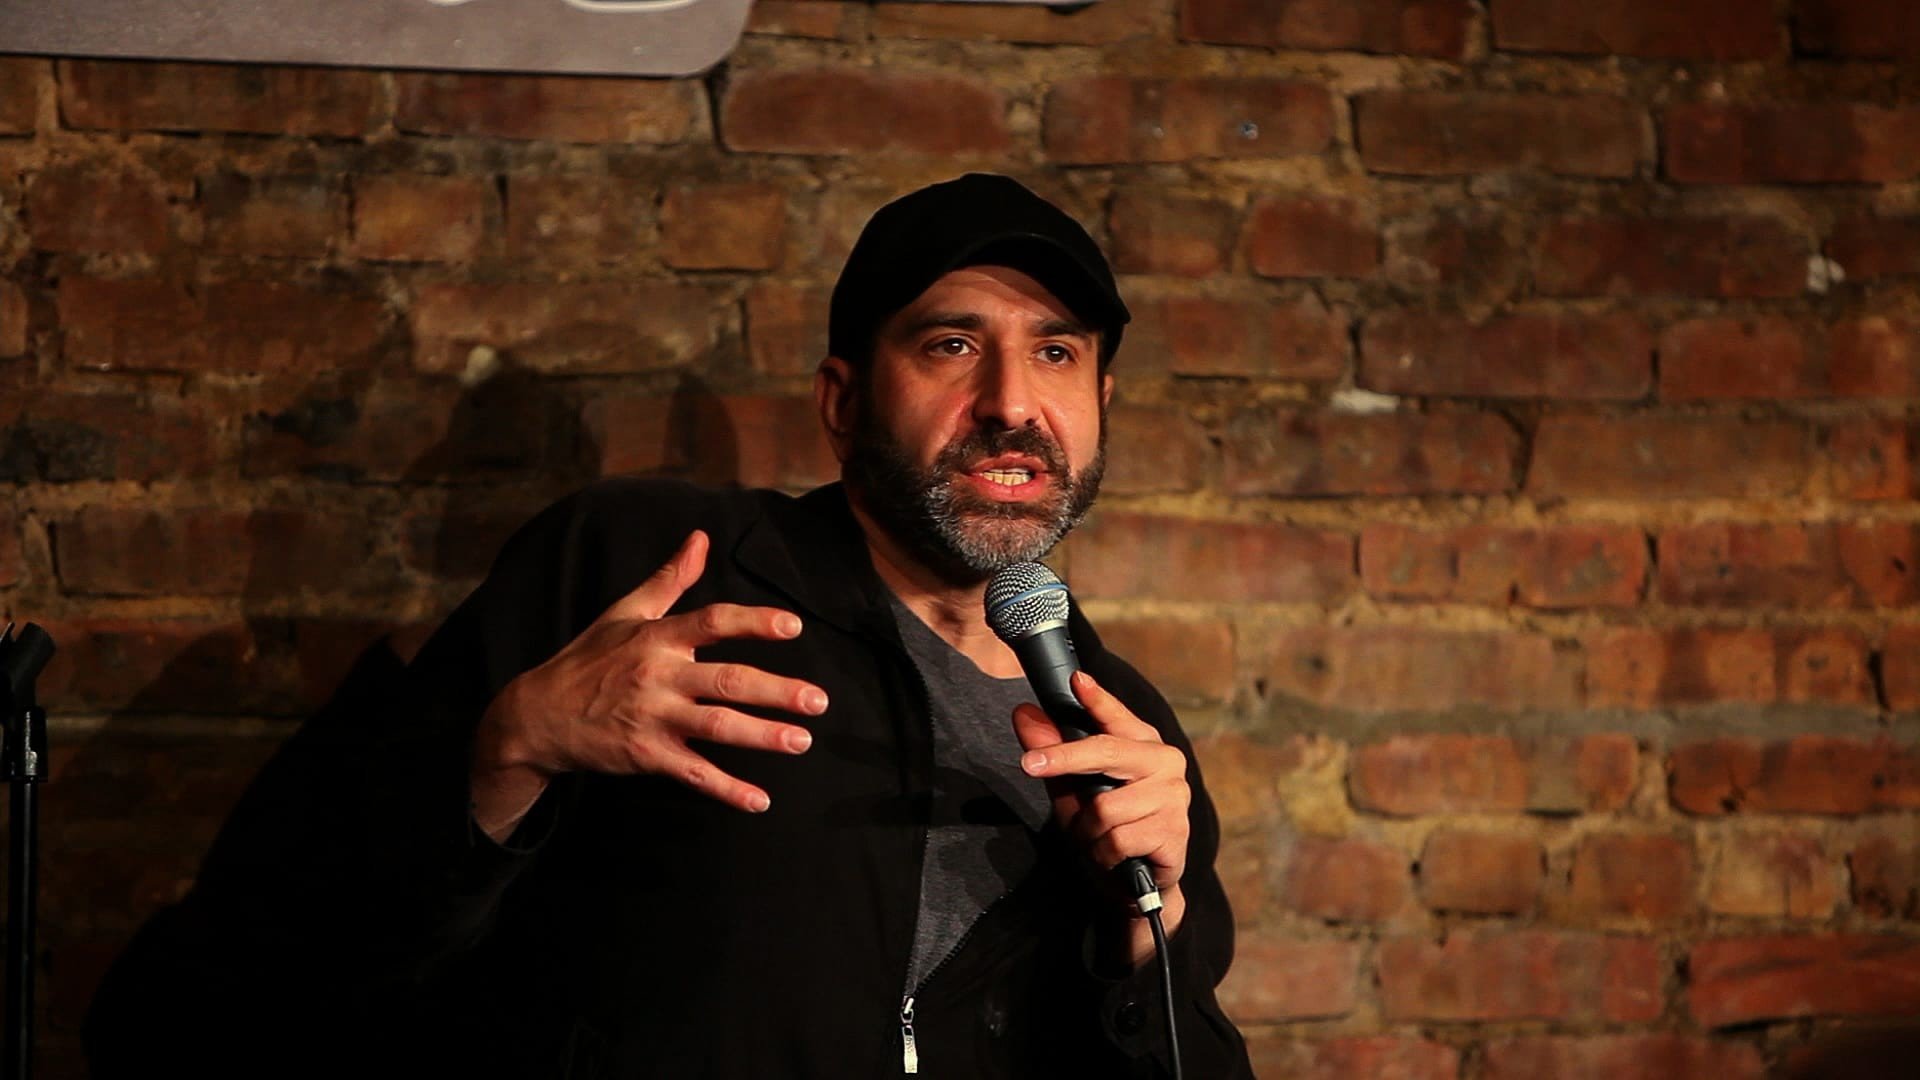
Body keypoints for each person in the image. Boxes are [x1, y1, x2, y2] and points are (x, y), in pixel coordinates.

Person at [85, 173, 1252, 1078]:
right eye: (951, 344)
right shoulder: (647, 569)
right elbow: (284, 959)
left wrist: (1143, 937)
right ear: (843, 401)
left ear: (1101, 404)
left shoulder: (1123, 732)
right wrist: (506, 754)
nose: (1010, 401)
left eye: (1056, 353)